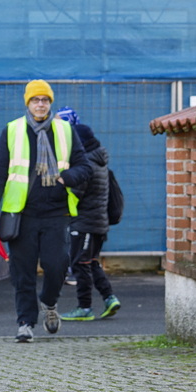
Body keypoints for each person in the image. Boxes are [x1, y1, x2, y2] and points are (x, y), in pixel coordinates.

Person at [0, 79, 87, 342]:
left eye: (45, 100)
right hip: (21, 214)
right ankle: (25, 322)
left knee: (57, 265)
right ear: (27, 103)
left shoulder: (65, 130)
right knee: (23, 272)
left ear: (50, 103)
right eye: (36, 100)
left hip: (57, 212)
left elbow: (84, 167)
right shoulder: (13, 130)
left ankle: (49, 303)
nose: (41, 104)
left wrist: (66, 177)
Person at [61, 122, 122, 321]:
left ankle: (84, 307)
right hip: (99, 223)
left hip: (84, 223)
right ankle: (109, 297)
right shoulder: (99, 160)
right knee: (91, 262)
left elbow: (75, 194)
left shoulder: (86, 165)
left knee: (80, 264)